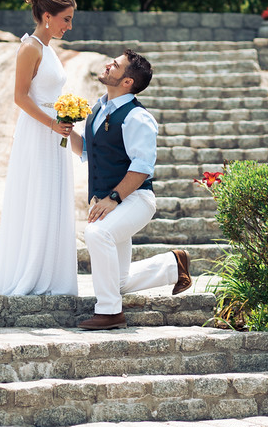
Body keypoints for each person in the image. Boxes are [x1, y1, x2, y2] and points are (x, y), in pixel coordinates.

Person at [70, 49, 192, 330]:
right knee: (118, 281)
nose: (107, 65)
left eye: (115, 65)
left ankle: (110, 312)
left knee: (97, 232)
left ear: (127, 82)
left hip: (135, 199)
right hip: (111, 201)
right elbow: (89, 151)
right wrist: (64, 131)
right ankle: (173, 266)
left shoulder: (137, 117)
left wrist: (114, 198)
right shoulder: (98, 109)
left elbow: (142, 166)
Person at [0, 0, 78, 297]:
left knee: (54, 196)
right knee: (38, 195)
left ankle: (52, 276)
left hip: (55, 131)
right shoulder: (30, 48)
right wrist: (53, 124)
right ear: (47, 17)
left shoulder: (49, 49)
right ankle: (30, 274)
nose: (69, 25)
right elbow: (20, 97)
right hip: (38, 133)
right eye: (65, 19)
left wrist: (66, 121)